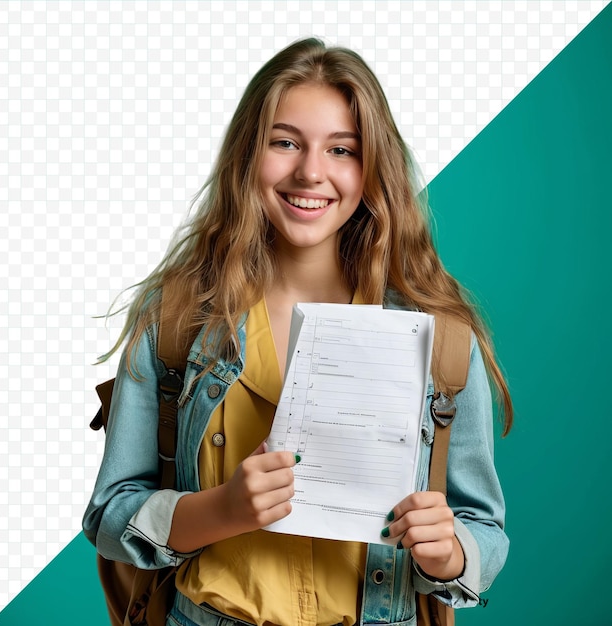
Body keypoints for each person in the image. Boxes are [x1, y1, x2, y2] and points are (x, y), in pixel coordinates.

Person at [83, 37, 513, 626]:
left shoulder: (439, 338)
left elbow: (482, 531)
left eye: (343, 149)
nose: (311, 171)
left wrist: (450, 553)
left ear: (373, 169)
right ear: (246, 157)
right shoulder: (177, 319)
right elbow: (110, 514)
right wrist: (222, 509)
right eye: (284, 142)